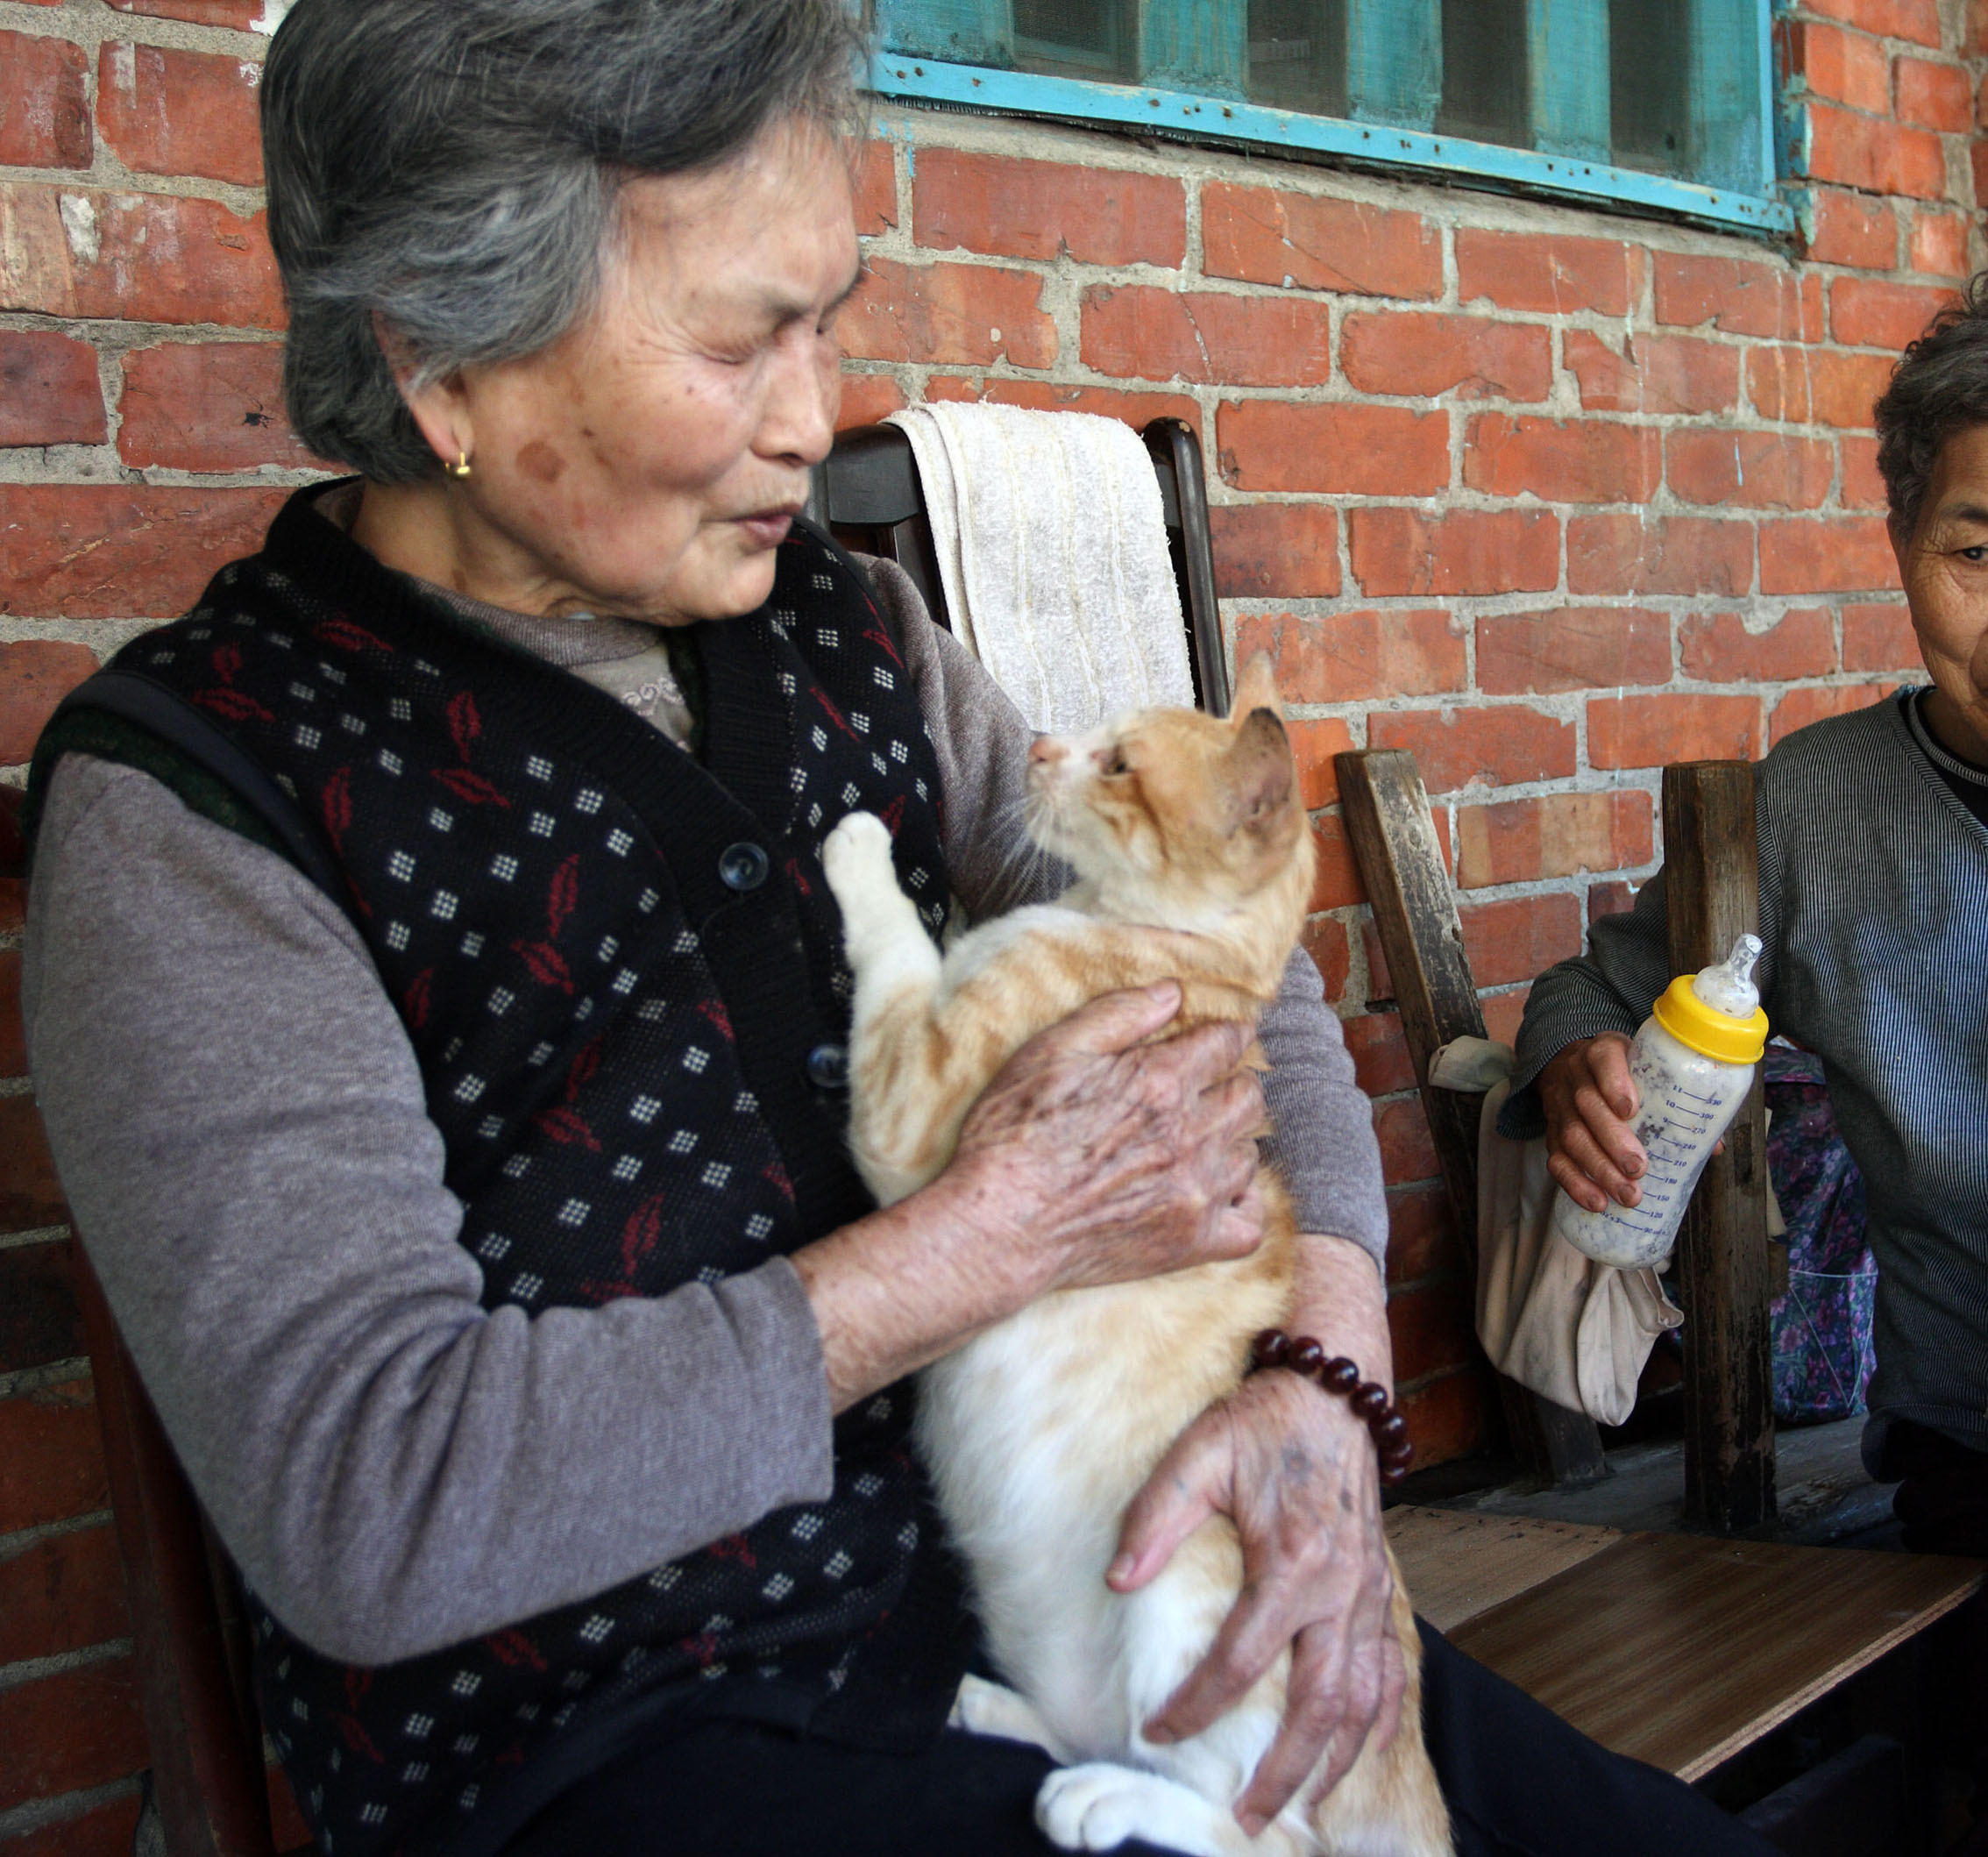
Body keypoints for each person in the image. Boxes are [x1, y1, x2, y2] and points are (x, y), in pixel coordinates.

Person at [21, 3, 1774, 1852]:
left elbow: (1215, 965)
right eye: (738, 341)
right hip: (632, 1741)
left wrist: (1325, 1367)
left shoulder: (849, 635)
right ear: (441, 364)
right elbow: (371, 1491)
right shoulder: (212, 795)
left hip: (1099, 1593)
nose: (816, 414)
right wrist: (973, 1248)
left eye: (828, 317)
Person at [1509, 275, 1988, 1558]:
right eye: (1976, 553)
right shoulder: (1819, 812)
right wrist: (1578, 1070)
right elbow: (1589, 989)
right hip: (1968, 1461)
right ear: (1901, 546)